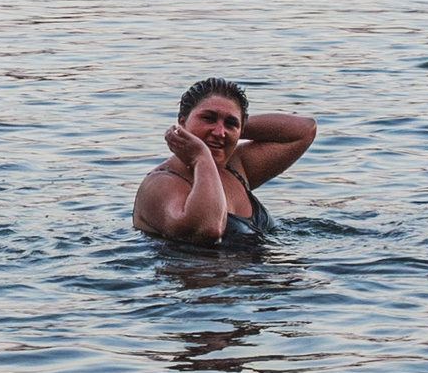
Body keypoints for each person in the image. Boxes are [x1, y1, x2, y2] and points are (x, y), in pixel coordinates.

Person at [133, 77, 316, 247]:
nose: (219, 132)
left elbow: (304, 130)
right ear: (181, 121)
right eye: (208, 118)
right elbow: (207, 230)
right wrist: (201, 158)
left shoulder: (236, 167)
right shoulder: (160, 184)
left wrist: (234, 130)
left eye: (230, 123)